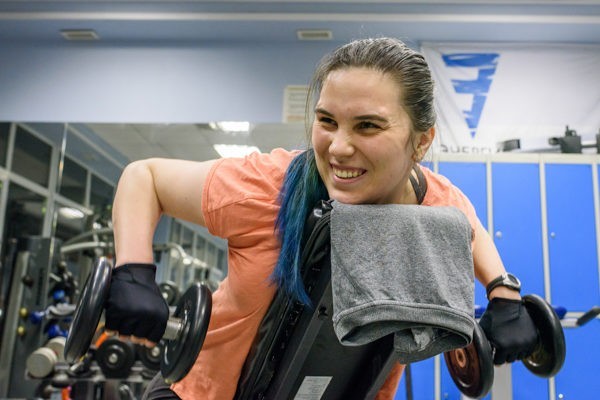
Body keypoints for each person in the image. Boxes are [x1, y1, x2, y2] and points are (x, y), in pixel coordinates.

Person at [104, 37, 538, 400]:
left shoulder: (434, 208)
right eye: (327, 121)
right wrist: (134, 272)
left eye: (368, 126)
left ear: (421, 142)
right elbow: (145, 178)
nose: (339, 148)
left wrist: (503, 294)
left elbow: (469, 229)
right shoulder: (271, 186)